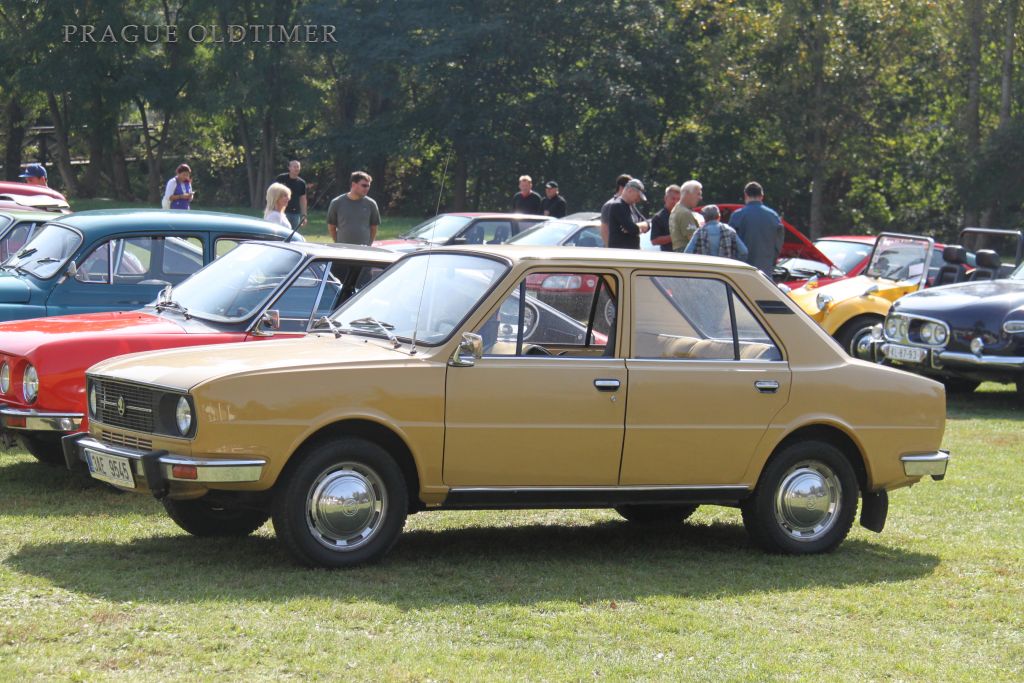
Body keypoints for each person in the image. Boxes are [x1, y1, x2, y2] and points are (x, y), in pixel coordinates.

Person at [729, 181, 783, 276]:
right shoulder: (774, 216)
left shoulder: (737, 216)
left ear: (745, 195)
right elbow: (778, 244)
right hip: (765, 271)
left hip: (742, 271)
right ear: (762, 196)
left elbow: (730, 244)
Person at [327, 171, 380, 245]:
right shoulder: (336, 202)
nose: (367, 188)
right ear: (353, 185)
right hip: (343, 248)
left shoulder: (371, 204)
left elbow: (374, 228)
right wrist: (338, 243)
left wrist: (369, 245)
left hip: (363, 249)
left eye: (368, 186)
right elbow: (331, 227)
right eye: (364, 185)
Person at [684, 205, 748, 261]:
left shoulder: (699, 232)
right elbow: (744, 252)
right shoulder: (730, 231)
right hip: (725, 269)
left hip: (705, 269)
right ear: (719, 217)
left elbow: (687, 252)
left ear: (704, 219)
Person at [606, 179, 650, 249]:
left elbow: (647, 224)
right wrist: (638, 227)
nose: (639, 199)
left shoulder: (632, 206)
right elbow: (633, 230)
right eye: (638, 195)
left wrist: (637, 226)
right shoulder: (618, 205)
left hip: (632, 251)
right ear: (630, 190)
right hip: (620, 251)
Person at [669, 180, 704, 252]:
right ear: (687, 194)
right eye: (698, 194)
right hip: (688, 254)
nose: (700, 198)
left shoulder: (676, 209)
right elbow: (694, 240)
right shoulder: (685, 213)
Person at [600, 174, 633, 246]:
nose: (631, 192)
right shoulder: (610, 205)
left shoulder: (630, 205)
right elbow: (604, 230)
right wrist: (611, 249)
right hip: (616, 249)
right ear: (621, 187)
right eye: (630, 189)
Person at [274, 160, 307, 230]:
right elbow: (273, 193)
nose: (296, 169)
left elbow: (303, 199)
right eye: (294, 167)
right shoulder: (281, 178)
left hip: (295, 213)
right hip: (281, 211)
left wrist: (304, 215)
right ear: (289, 168)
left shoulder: (301, 183)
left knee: (294, 234)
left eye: (298, 167)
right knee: (280, 232)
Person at [650, 184, 681, 252]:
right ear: (665, 198)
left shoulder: (683, 215)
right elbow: (654, 240)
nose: (676, 202)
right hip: (669, 255)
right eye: (673, 199)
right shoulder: (658, 217)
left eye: (678, 199)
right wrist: (675, 236)